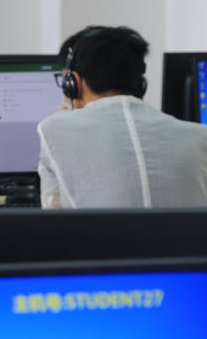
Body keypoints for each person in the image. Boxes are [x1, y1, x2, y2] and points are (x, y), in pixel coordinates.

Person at [38, 25, 207, 209]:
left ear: (73, 84)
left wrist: (67, 119)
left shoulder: (52, 130)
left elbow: (54, 214)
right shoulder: (200, 136)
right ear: (141, 84)